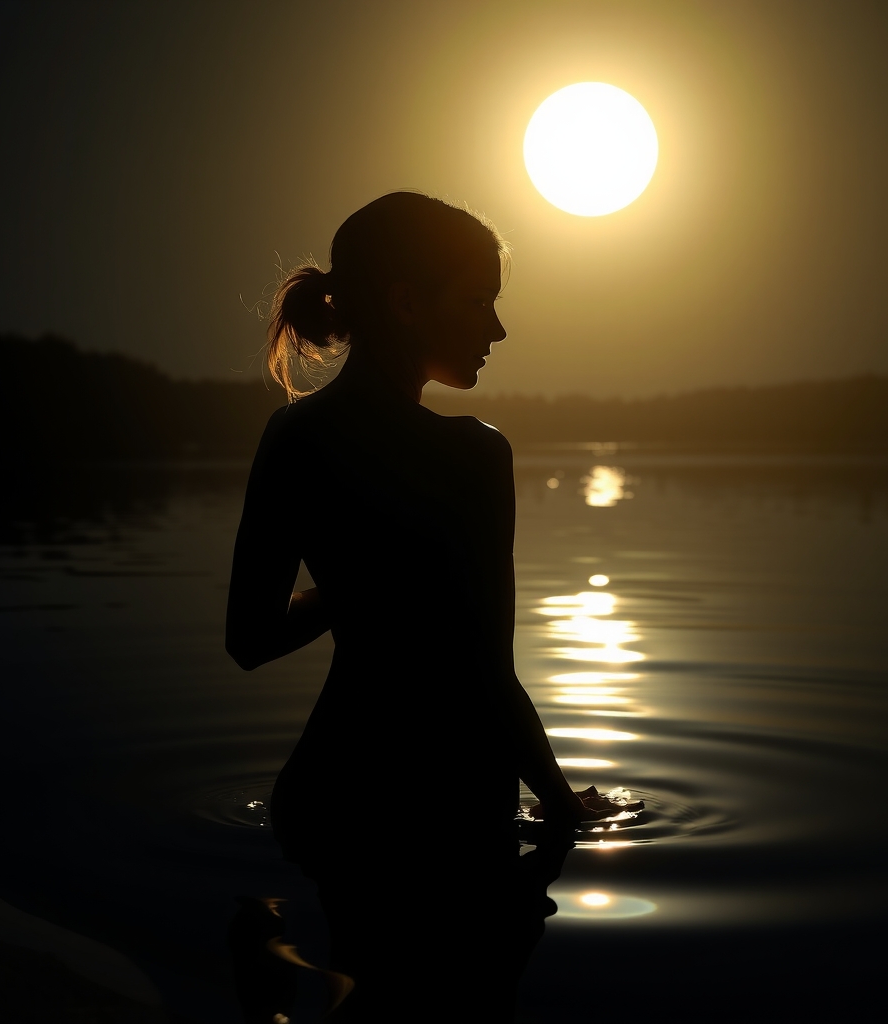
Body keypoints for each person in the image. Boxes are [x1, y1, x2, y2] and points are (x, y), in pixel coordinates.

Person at [226, 192, 616, 1022]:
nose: (497, 329)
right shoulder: (472, 455)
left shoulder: (291, 438)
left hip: (322, 808)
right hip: (440, 823)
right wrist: (559, 803)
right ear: (405, 301)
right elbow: (487, 674)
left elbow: (249, 639)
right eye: (478, 300)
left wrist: (356, 580)